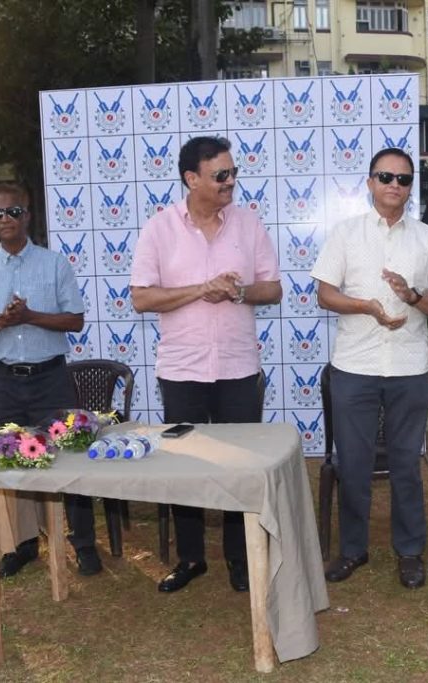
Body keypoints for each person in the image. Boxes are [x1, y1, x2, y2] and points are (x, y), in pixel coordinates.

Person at [131, 136, 282, 593]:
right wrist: (201, 288)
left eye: (233, 173)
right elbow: (141, 297)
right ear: (191, 178)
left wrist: (236, 291)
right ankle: (191, 557)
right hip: (182, 370)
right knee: (186, 467)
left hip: (239, 368)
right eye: (221, 175)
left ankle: (240, 556)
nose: (231, 181)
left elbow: (272, 289)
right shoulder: (159, 229)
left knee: (239, 466)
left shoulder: (248, 224)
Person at [311, 147, 428, 589]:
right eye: (386, 176)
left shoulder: (427, 238)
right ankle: (353, 549)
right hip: (355, 366)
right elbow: (324, 294)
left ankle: (410, 551)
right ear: (370, 182)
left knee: (405, 466)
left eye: (404, 179)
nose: (395, 185)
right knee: (353, 464)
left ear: (411, 188)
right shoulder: (346, 233)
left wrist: (411, 296)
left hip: (410, 366)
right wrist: (367, 307)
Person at [0, 182, 99, 578]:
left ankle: (84, 543)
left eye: (14, 211)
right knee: (8, 460)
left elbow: (74, 320)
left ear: (28, 215)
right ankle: (21, 545)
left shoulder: (54, 264)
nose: (6, 219)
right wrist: (0, 322)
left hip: (50, 378)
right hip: (3, 381)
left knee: (70, 456)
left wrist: (30, 316)